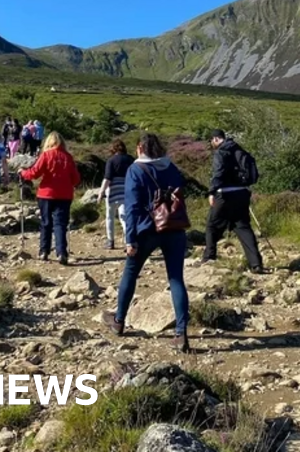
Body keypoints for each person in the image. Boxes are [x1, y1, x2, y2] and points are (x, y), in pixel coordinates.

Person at [102, 132, 191, 352]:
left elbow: (132, 207)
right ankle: (181, 333)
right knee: (176, 279)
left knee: (130, 273)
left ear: (140, 148)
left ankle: (119, 321)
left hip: (145, 229)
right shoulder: (171, 167)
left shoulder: (136, 169)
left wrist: (130, 239)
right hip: (174, 228)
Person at [202, 129, 266, 273]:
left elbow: (218, 173)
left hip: (224, 194)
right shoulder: (240, 150)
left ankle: (209, 258)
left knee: (212, 225)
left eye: (211, 141)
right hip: (242, 193)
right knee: (243, 227)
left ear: (216, 139)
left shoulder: (221, 152)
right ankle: (256, 264)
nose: (211, 144)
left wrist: (211, 192)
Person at [19, 132, 80, 265]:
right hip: (64, 195)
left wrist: (23, 173)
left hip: (46, 194)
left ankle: (44, 251)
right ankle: (61, 252)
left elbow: (35, 173)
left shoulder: (46, 155)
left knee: (46, 222)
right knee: (60, 224)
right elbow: (76, 179)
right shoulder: (68, 157)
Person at [99, 139, 134, 249]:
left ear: (113, 149)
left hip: (113, 191)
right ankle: (128, 242)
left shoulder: (111, 160)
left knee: (110, 216)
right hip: (127, 191)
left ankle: (110, 241)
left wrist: (101, 192)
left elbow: (107, 178)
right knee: (124, 217)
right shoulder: (131, 159)